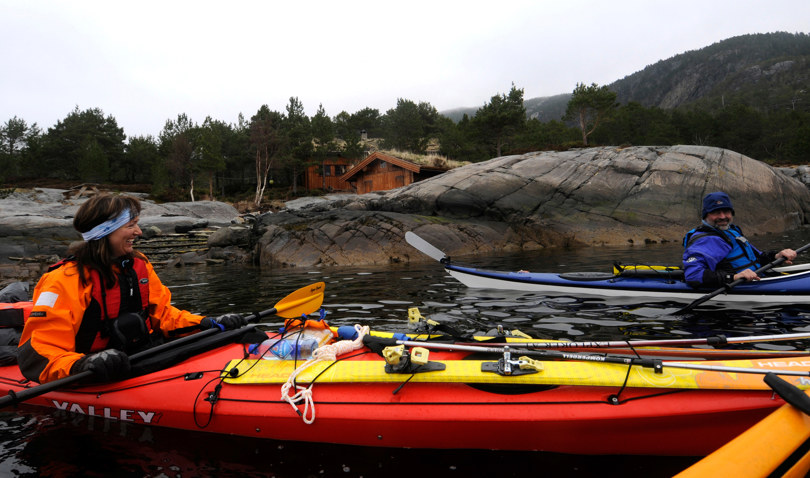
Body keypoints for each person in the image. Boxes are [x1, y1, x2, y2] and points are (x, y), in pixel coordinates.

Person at [18, 193, 246, 384]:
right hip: (92, 370)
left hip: (139, 354)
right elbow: (39, 351)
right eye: (131, 226)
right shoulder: (62, 280)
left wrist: (206, 322)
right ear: (105, 232)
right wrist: (82, 364)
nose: (139, 232)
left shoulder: (138, 264)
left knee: (242, 334)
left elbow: (163, 316)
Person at [682, 191, 797, 288]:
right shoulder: (707, 240)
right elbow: (693, 276)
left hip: (758, 278)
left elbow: (756, 258)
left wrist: (777, 256)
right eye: (716, 212)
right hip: (739, 287)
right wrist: (734, 277)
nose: (723, 217)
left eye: (726, 211)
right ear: (706, 215)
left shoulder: (731, 231)